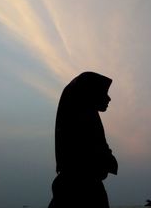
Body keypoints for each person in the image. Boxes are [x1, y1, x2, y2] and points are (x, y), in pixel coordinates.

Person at [48, 72, 118, 208]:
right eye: (103, 93)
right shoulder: (84, 122)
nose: (108, 98)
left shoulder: (88, 119)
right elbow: (97, 151)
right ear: (90, 93)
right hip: (82, 188)